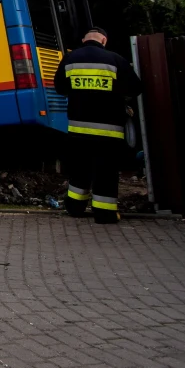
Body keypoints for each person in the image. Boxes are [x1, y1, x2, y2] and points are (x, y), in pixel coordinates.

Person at [54, 27, 143, 224]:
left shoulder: (70, 59)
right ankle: (105, 214)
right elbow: (136, 88)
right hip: (108, 131)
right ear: (104, 40)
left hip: (78, 129)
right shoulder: (115, 60)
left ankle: (75, 208)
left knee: (79, 170)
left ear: (84, 40)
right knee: (106, 172)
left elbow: (60, 87)